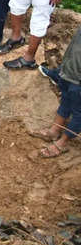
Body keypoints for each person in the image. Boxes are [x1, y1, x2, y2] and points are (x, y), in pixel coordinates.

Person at [31, 26, 81, 158]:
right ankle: (54, 130)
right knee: (65, 101)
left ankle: (62, 143)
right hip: (69, 71)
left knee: (78, 112)